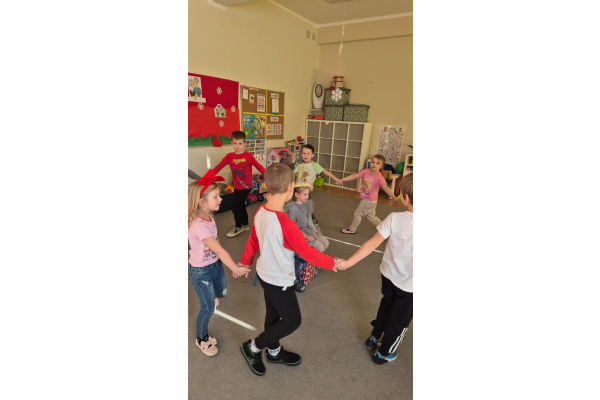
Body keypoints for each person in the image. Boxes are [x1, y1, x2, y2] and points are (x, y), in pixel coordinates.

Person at [238, 163, 343, 376]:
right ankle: (253, 347)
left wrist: (245, 262)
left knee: (273, 315)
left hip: (265, 274)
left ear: (266, 186)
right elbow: (308, 253)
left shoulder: (260, 211)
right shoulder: (286, 224)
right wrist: (333, 262)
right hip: (278, 280)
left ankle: (274, 352)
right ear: (291, 187)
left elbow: (253, 241)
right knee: (292, 321)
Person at [337, 173, 413, 365]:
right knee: (399, 322)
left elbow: (371, 244)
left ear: (405, 197)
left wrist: (348, 263)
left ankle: (374, 336)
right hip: (409, 287)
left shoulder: (394, 218)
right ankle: (385, 353)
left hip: (388, 276)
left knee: (386, 305)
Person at [188, 170, 251, 357]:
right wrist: (235, 268)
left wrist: (229, 266)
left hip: (215, 266)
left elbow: (217, 246)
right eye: (215, 196)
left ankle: (211, 298)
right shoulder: (199, 226)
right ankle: (201, 339)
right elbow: (220, 250)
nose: (221, 199)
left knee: (222, 293)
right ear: (202, 202)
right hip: (201, 272)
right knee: (207, 308)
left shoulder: (209, 216)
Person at [213, 130, 266, 237]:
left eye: (240, 143)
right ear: (231, 143)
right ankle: (245, 224)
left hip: (246, 186)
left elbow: (258, 166)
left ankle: (238, 227)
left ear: (244, 144)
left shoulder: (248, 156)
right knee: (241, 205)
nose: (237, 146)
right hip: (236, 186)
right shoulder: (229, 156)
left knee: (235, 206)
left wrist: (269, 175)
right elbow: (219, 166)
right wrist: (210, 175)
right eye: (235, 143)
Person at [284, 183, 329, 292]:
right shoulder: (292, 208)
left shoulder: (307, 205)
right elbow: (292, 227)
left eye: (308, 194)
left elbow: (310, 222)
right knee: (319, 246)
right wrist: (306, 236)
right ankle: (311, 261)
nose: (307, 197)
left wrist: (315, 234)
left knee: (325, 243)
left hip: (307, 230)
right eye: (304, 194)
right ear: (296, 195)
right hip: (298, 234)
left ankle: (313, 263)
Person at [337, 154, 397, 234]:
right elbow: (354, 176)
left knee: (358, 214)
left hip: (369, 200)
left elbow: (386, 188)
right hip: (370, 200)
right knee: (371, 217)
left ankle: (352, 229)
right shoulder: (366, 171)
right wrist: (342, 180)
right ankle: (385, 228)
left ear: (381, 166)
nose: (374, 164)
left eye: (377, 163)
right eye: (373, 162)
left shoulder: (379, 177)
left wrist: (393, 197)